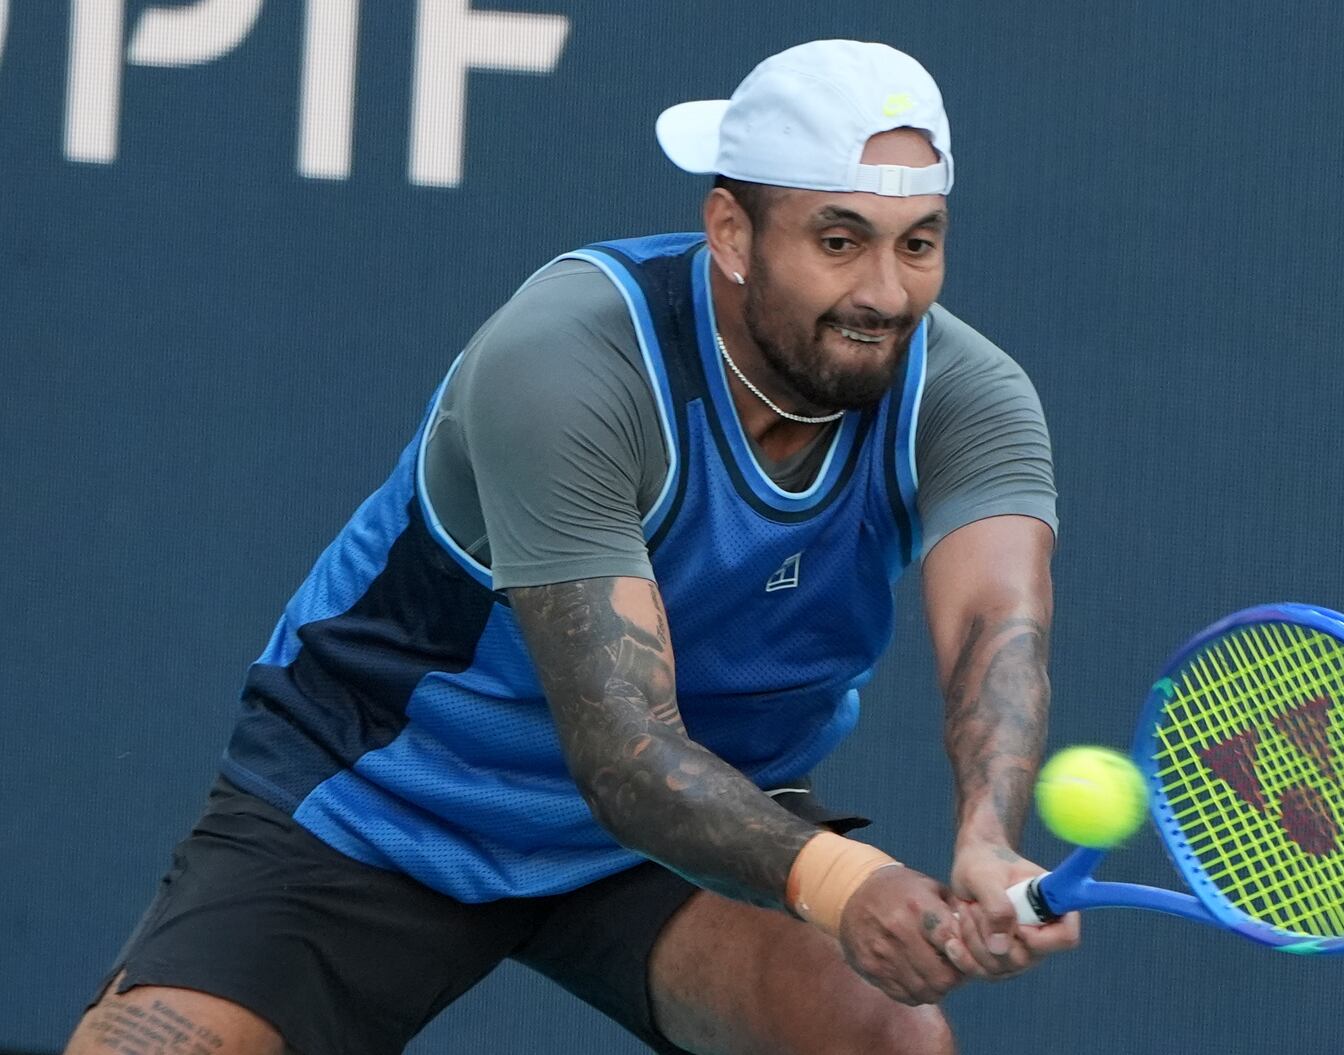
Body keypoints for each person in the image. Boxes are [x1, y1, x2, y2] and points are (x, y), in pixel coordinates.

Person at [65, 39, 1079, 1055]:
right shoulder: (570, 360)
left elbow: (996, 626)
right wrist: (847, 881)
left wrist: (984, 838)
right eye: (839, 239)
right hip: (386, 795)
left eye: (918, 243)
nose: (885, 294)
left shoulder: (966, 393)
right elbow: (626, 753)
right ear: (731, 229)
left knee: (887, 1037)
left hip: (702, 828)